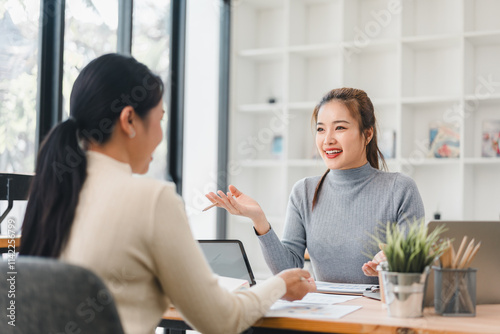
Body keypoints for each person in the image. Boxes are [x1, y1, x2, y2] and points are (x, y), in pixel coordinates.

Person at [19, 53, 316, 334]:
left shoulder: (49, 194)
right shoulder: (151, 199)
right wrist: (278, 285)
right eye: (160, 119)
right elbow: (222, 320)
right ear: (129, 121)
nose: (161, 135)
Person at [206, 87, 425, 285]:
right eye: (321, 129)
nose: (327, 140)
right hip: (324, 315)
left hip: (377, 316)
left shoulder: (400, 189)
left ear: (367, 134)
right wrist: (259, 220)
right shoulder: (304, 191)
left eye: (339, 127)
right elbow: (288, 270)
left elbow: (413, 272)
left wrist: (392, 264)